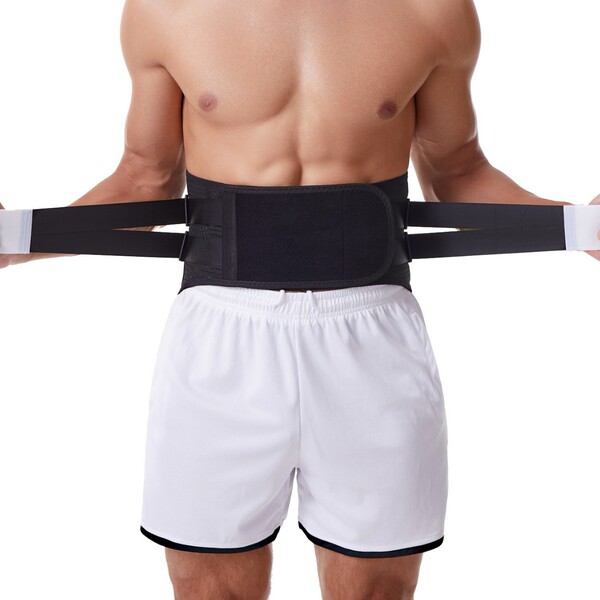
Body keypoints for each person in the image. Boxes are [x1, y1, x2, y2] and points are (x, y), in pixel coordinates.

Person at [1, 1, 599, 599]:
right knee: (211, 591)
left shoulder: (432, 9)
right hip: (221, 339)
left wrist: (581, 226)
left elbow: (459, 172)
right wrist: (15, 242)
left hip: (372, 338)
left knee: (376, 591)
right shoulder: (166, 9)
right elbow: (144, 178)